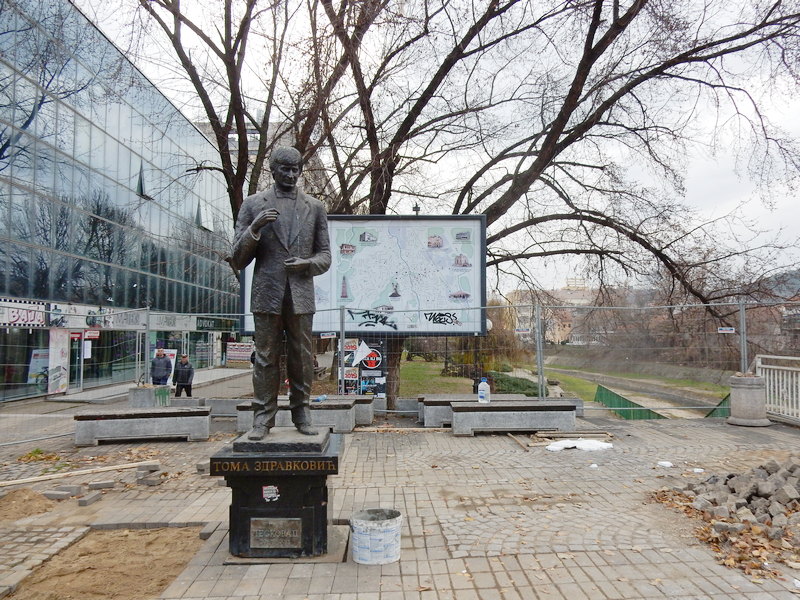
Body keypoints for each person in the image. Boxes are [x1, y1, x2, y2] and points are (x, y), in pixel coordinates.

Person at [230, 146, 331, 439]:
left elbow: (325, 256)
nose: (291, 175)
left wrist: (306, 263)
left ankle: (302, 413)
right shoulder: (252, 205)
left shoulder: (314, 207)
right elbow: (238, 258)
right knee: (265, 357)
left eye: (295, 169)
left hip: (300, 294)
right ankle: (262, 419)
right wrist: (255, 228)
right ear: (272, 170)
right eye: (285, 169)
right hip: (267, 292)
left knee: (301, 357)